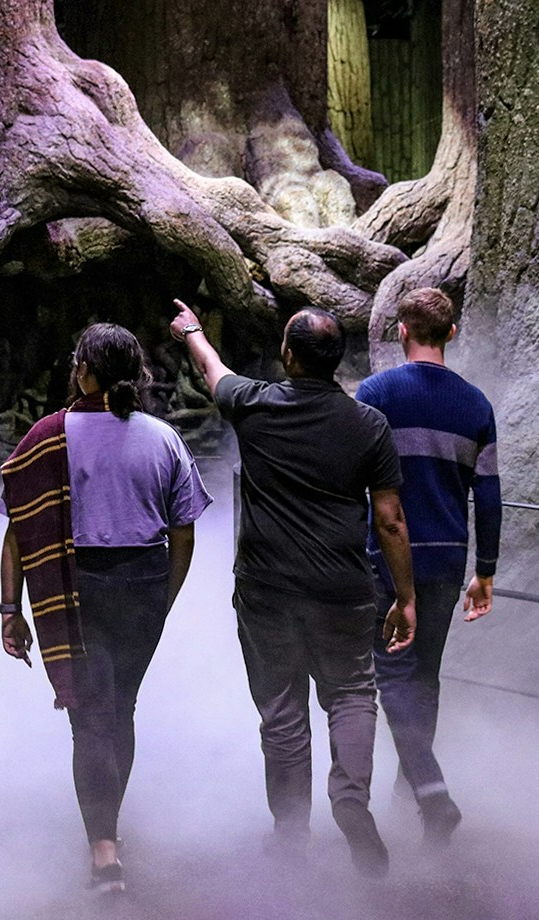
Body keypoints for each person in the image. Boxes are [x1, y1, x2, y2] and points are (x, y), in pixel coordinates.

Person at [170, 300, 415, 878]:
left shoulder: (255, 403)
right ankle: (350, 799)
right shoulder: (368, 424)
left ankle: (290, 836)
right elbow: (390, 521)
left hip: (267, 590)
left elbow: (211, 369)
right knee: (351, 693)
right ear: (337, 359)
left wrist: (193, 331)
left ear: (288, 354)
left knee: (282, 711)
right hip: (342, 590)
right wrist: (406, 597)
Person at [0, 322, 211, 894]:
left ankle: (103, 851)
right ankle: (108, 827)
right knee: (121, 709)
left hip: (77, 587)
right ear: (137, 375)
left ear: (84, 371)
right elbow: (184, 532)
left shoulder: (47, 436)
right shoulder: (163, 439)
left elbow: (18, 532)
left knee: (91, 718)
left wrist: (10, 607)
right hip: (145, 584)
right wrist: (164, 597)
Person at [356, 287, 500, 846]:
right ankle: (410, 792)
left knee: (392, 675)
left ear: (401, 331)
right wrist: (485, 570)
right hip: (447, 559)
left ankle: (432, 794)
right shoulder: (477, 406)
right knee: (425, 677)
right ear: (451, 334)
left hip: (387, 561)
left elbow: (356, 483)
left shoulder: (376, 394)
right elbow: (488, 495)